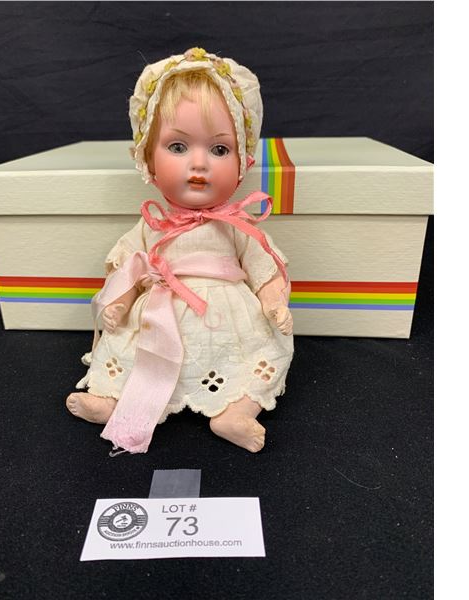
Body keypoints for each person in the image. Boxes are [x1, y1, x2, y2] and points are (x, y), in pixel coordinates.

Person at [66, 48, 294, 454]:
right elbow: (129, 267)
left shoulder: (236, 224)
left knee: (264, 355)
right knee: (129, 351)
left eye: (219, 150)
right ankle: (112, 402)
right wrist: (119, 303)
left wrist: (274, 302)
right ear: (148, 159)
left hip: (228, 322)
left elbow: (264, 265)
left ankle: (238, 412)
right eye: (177, 147)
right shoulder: (152, 224)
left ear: (242, 161)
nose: (199, 164)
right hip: (160, 313)